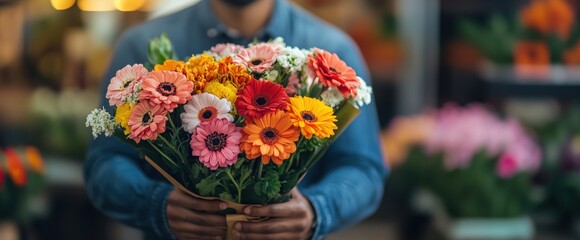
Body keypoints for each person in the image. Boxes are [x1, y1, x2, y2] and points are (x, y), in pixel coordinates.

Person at [84, 0, 387, 239]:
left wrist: (315, 210)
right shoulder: (143, 46)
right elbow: (105, 163)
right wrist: (156, 205)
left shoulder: (333, 51)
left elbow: (364, 168)